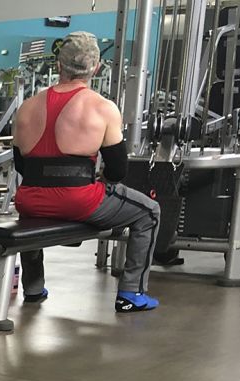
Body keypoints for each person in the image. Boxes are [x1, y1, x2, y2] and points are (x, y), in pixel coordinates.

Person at [12, 32, 160, 312]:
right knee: (150, 212)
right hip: (79, 201)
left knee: (29, 211)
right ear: (96, 68)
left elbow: (21, 166)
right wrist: (100, 182)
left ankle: (33, 288)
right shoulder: (102, 108)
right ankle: (131, 293)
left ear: (58, 66)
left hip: (29, 198)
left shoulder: (26, 108)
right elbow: (117, 170)